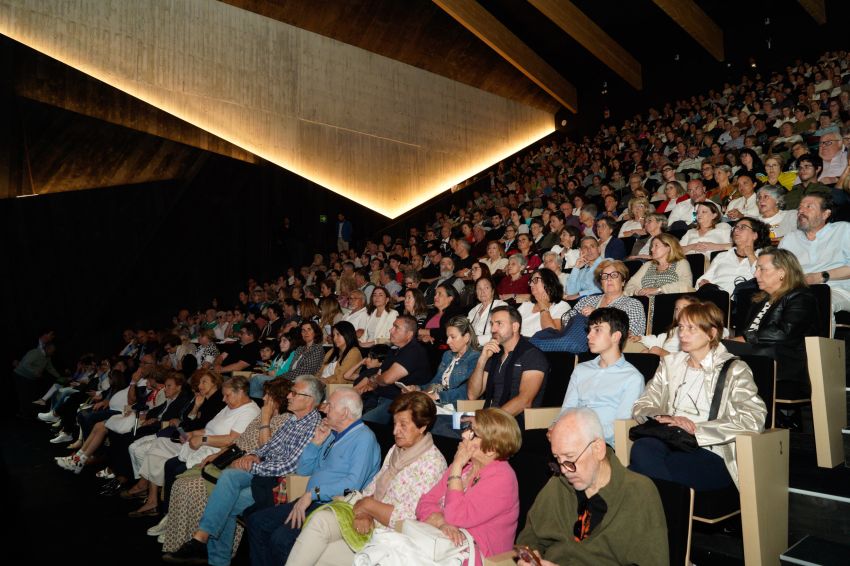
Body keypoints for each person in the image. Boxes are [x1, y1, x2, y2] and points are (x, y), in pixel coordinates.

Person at [162, 376, 323, 565]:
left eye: (294, 393)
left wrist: (254, 464)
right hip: (263, 472)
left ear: (310, 400)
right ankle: (203, 541)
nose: (289, 395)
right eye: (290, 391)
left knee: (226, 501)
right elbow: (269, 446)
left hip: (280, 483)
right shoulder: (294, 420)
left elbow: (289, 465)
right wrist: (252, 455)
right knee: (228, 478)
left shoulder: (312, 425)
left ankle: (209, 549)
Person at [285, 392, 447, 566]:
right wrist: (364, 512)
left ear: (422, 426)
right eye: (394, 424)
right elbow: (371, 488)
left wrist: (368, 507)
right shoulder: (396, 450)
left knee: (321, 556)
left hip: (392, 540)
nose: (395, 431)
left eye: (403, 425)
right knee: (319, 521)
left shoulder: (432, 464)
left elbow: (409, 517)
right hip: (367, 520)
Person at [630, 302, 767, 490]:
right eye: (681, 327)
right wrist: (667, 418)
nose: (683, 334)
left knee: (638, 473)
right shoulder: (670, 364)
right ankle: (665, 508)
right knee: (642, 447)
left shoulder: (733, 370)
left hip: (711, 449)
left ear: (711, 333)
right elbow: (642, 404)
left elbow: (753, 418)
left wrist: (697, 430)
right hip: (671, 439)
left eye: (691, 328)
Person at [515, 408, 668, 566]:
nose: (564, 470)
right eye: (557, 459)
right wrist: (530, 558)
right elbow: (529, 538)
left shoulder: (638, 493)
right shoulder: (558, 485)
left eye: (570, 458)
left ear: (598, 449)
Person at [246, 388, 381, 566]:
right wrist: (315, 443)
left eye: (330, 406)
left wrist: (312, 494)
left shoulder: (364, 439)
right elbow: (304, 470)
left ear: (345, 413)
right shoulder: (332, 434)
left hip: (333, 505)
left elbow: (352, 485)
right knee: (256, 521)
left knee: (281, 539)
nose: (324, 408)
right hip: (311, 500)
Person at [416, 408, 521, 562]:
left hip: (478, 557)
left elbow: (456, 516)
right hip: (444, 545)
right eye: (467, 429)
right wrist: (441, 523)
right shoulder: (466, 466)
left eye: (473, 433)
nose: (464, 435)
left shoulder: (502, 478)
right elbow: (424, 502)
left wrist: (457, 465)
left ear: (491, 449)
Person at [728, 248, 820, 399]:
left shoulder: (801, 297)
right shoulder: (758, 300)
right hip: (757, 355)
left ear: (782, 272)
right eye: (757, 268)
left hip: (783, 363)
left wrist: (744, 339)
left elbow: (784, 332)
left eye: (762, 269)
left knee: (718, 348)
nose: (756, 274)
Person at [558, 309, 644, 444]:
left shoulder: (632, 378)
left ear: (615, 336)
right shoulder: (581, 369)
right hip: (572, 435)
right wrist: (557, 428)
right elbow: (567, 409)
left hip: (603, 443)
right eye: (590, 330)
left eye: (597, 330)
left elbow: (620, 427)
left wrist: (582, 435)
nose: (588, 336)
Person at [466, 306, 548, 420]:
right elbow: (473, 394)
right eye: (492, 324)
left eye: (499, 324)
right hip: (490, 419)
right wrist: (482, 359)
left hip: (512, 425)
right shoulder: (494, 354)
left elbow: (524, 401)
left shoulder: (532, 355)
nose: (493, 329)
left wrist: (488, 420)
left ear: (515, 327)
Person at [779, 193, 850, 314]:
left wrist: (819, 277)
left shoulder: (843, 229)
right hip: (796, 292)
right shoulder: (790, 238)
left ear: (825, 214)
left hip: (836, 290)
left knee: (816, 302)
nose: (801, 210)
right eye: (800, 207)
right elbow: (779, 270)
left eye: (808, 206)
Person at [359, 316, 432, 424]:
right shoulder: (394, 350)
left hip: (399, 403)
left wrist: (377, 379)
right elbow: (379, 376)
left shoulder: (414, 351)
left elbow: (387, 379)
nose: (390, 330)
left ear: (409, 334)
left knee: (363, 423)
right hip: (379, 396)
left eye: (396, 327)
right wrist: (377, 379)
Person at [562, 260, 646, 337]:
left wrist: (597, 315)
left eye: (614, 275)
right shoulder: (587, 300)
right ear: (601, 284)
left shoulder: (633, 304)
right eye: (604, 276)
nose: (609, 279)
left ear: (623, 281)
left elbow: (629, 335)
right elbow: (566, 320)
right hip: (577, 341)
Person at [411, 316, 482, 404]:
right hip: (440, 403)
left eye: (453, 337)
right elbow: (436, 382)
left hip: (457, 406)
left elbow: (465, 391)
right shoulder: (448, 355)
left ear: (466, 337)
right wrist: (418, 389)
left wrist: (437, 396)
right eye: (447, 337)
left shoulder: (475, 357)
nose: (448, 341)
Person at [697, 217, 771, 295]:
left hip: (744, 300)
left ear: (755, 235)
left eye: (743, 227)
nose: (736, 230)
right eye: (735, 227)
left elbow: (764, 278)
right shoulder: (722, 256)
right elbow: (702, 279)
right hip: (715, 298)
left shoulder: (764, 256)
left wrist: (750, 254)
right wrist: (703, 282)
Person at [625, 233, 694, 296]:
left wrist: (659, 290)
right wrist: (638, 291)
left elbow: (686, 284)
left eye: (656, 246)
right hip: (646, 304)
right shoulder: (648, 265)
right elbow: (630, 285)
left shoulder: (681, 263)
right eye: (652, 246)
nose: (652, 249)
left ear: (668, 247)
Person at [630, 295, 701, 356]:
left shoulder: (696, 330)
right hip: (666, 359)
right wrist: (641, 338)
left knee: (655, 350)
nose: (679, 311)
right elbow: (657, 340)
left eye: (684, 308)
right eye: (677, 309)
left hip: (679, 360)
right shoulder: (673, 331)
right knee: (645, 352)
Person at [467, 277, 508, 344]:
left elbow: (502, 332)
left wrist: (476, 340)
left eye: (486, 288)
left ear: (492, 291)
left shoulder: (500, 306)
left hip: (491, 346)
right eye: (479, 288)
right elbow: (465, 329)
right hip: (471, 346)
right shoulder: (474, 310)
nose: (482, 291)